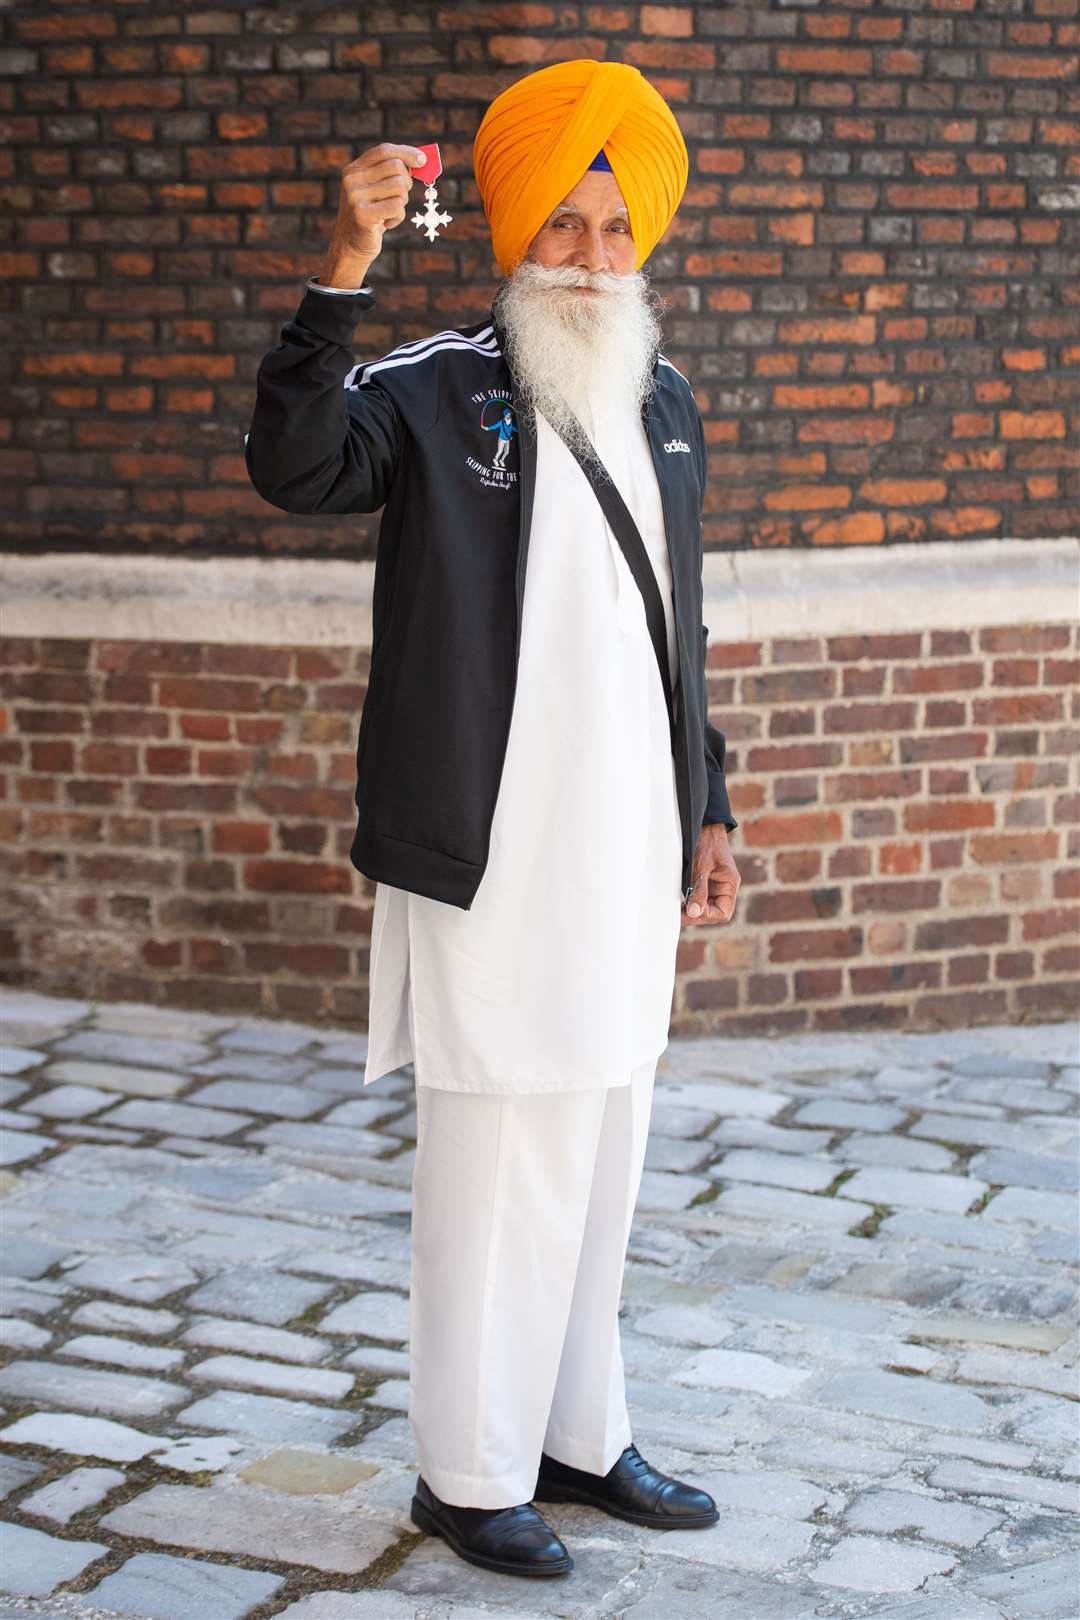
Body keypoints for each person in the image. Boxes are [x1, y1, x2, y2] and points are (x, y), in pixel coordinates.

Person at [245, 57, 742, 1581]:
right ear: (514, 230)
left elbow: (679, 626)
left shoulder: (662, 401)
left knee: (604, 1141)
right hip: (486, 847)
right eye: (564, 230)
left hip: (623, 850)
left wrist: (707, 802)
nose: (591, 260)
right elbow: (295, 464)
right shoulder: (433, 384)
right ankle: (467, 1472)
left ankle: (580, 1437)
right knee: (497, 1150)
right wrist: (340, 274)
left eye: (615, 233)